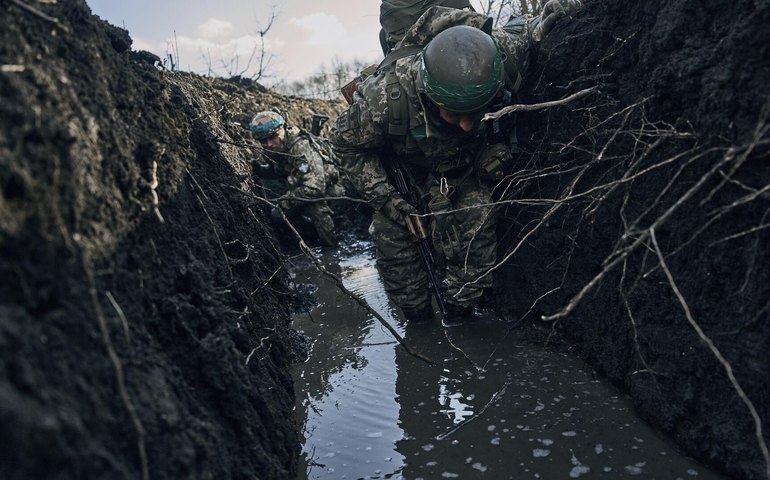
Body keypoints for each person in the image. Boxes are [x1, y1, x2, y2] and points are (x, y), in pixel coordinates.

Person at [330, 2, 581, 326]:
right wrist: (388, 200)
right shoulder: (385, 98)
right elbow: (344, 145)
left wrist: (555, 17)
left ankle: (461, 314)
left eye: (475, 112)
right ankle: (418, 323)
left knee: (477, 223)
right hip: (407, 176)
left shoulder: (499, 56)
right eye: (453, 113)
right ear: (428, 93)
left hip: (463, 171)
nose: (465, 125)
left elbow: (530, 29)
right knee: (392, 244)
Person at [250, 110, 343, 247]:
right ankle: (310, 235)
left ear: (282, 129)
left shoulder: (300, 147)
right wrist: (260, 170)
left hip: (333, 191)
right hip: (305, 188)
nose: (269, 144)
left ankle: (331, 247)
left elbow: (315, 188)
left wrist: (283, 203)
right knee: (278, 215)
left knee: (315, 206)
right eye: (263, 140)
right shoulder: (277, 147)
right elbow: (281, 170)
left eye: (273, 137)